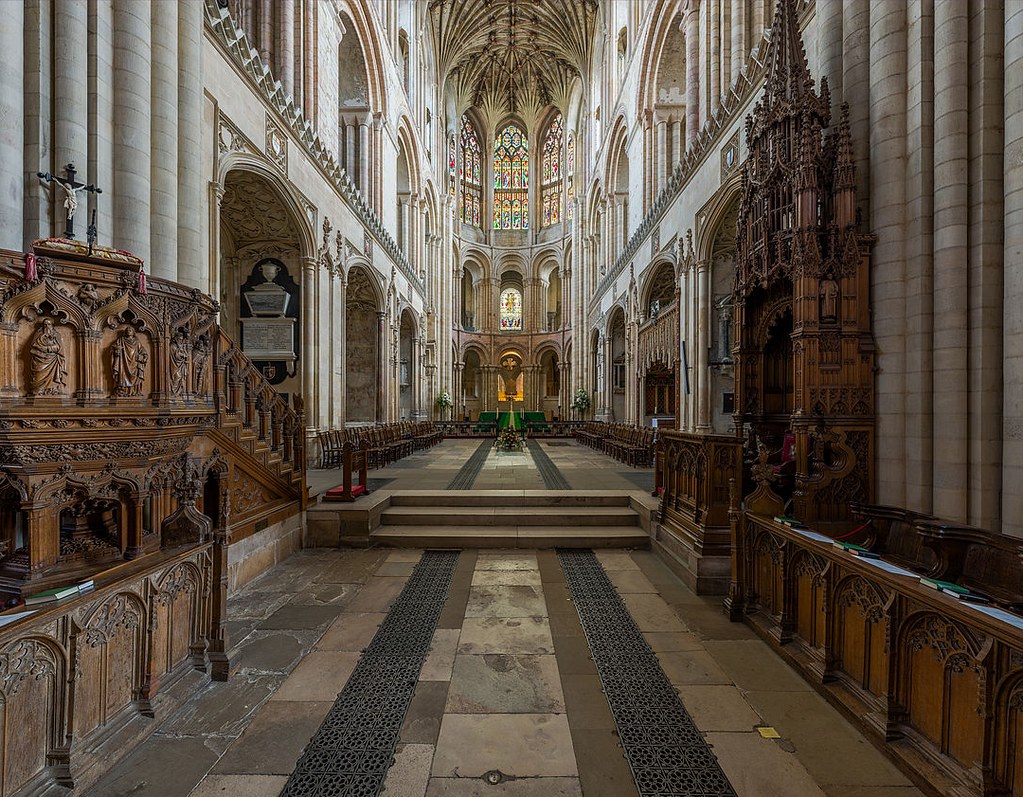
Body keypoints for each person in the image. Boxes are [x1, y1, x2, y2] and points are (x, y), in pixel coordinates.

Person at [30, 319, 67, 396]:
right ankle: (39, 390)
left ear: (52, 326)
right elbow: (33, 346)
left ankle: (53, 389)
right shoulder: (38, 334)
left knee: (53, 376)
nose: (47, 327)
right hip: (39, 359)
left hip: (53, 359)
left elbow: (60, 348)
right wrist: (42, 346)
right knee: (38, 375)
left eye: (49, 324)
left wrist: (49, 348)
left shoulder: (57, 335)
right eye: (45, 325)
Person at [112, 326, 148, 397]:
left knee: (136, 376)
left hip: (135, 362)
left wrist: (142, 357)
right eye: (127, 330)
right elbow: (113, 349)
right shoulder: (120, 340)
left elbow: (143, 352)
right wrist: (116, 352)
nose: (129, 331)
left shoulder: (137, 341)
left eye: (131, 330)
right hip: (123, 363)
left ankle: (134, 392)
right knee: (122, 375)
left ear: (133, 332)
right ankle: (123, 391)